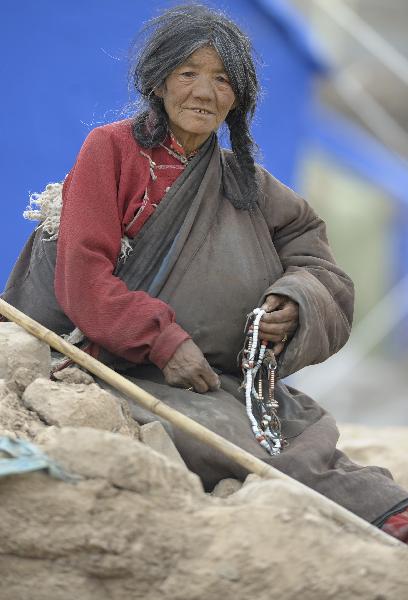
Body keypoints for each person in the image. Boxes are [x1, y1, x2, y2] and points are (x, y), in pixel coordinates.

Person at [2, 4, 408, 542]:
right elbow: (84, 280)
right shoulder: (112, 150)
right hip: (111, 363)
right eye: (188, 73)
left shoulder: (245, 181)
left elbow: (313, 255)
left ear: (237, 98)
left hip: (216, 373)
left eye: (221, 79)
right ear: (159, 81)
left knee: (295, 427)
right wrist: (163, 341)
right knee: (219, 436)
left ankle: (387, 514)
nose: (203, 92)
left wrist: (294, 299)